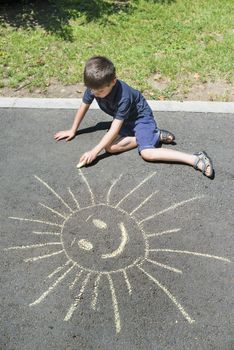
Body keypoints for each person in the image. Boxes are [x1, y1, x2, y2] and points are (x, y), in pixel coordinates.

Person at [54, 56, 214, 179]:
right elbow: (84, 105)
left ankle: (195, 158)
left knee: (147, 154)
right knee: (110, 147)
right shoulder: (95, 86)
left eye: (100, 92)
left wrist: (94, 151)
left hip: (140, 120)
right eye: (92, 91)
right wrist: (73, 129)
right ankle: (154, 136)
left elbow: (115, 127)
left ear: (113, 82)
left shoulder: (124, 96)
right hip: (125, 121)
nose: (95, 94)